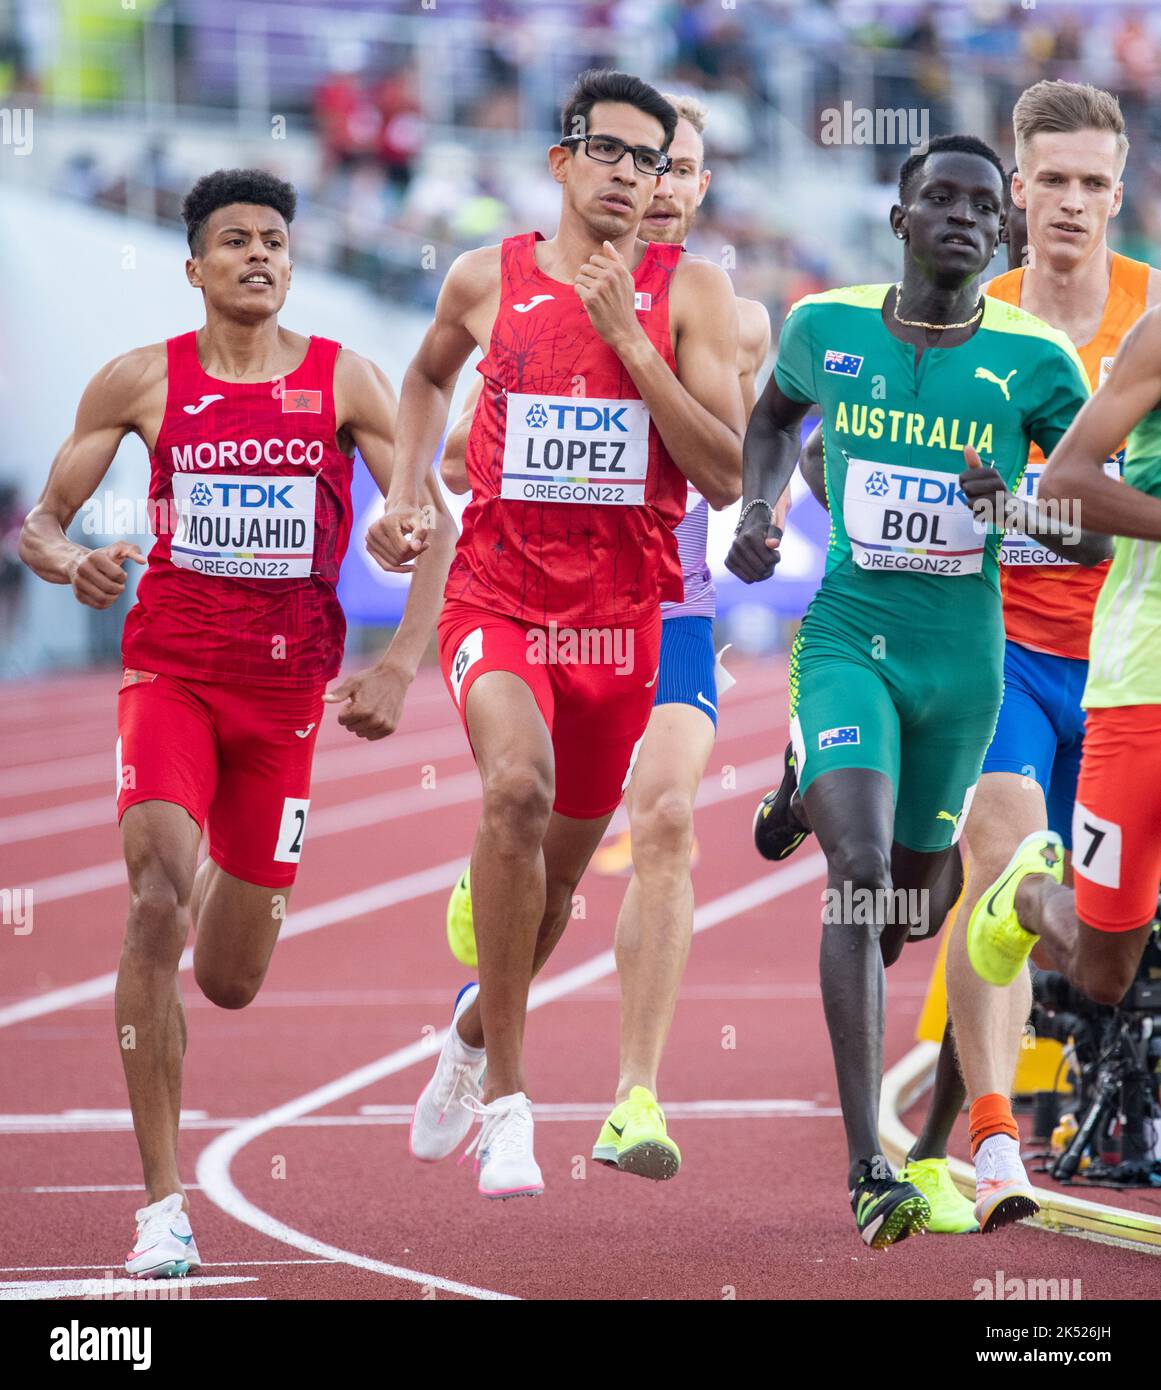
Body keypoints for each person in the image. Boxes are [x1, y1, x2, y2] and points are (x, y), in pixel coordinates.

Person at [19, 168, 455, 1276]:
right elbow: (41, 523)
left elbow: (429, 525)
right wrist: (74, 561)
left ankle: (226, 856)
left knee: (229, 978)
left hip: (283, 702)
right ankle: (162, 1202)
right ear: (195, 267)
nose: (259, 254)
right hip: (167, 673)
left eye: (273, 239)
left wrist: (401, 660)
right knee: (154, 896)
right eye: (235, 241)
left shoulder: (342, 381)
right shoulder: (142, 381)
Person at [367, 69, 746, 1200]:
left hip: (622, 626)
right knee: (513, 794)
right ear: (562, 160)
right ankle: (513, 1105)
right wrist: (406, 488)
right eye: (612, 152)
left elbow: (726, 473)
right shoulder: (486, 276)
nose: (631, 175)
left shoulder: (695, 293)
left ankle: (472, 1034)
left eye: (652, 157)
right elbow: (428, 378)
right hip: (496, 599)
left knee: (556, 886)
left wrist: (632, 340)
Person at [726, 134, 1090, 1248]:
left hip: (963, 663)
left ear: (1005, 233)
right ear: (900, 219)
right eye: (941, 200)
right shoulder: (825, 328)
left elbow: (1084, 533)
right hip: (849, 639)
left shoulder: (1038, 366)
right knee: (862, 874)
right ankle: (868, 1167)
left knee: (913, 913)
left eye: (986, 209)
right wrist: (755, 509)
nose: (966, 220)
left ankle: (801, 786)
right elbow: (772, 421)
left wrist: (1017, 508)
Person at [968, 300, 1161, 1011]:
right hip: (1138, 686)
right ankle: (1023, 894)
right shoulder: (1158, 333)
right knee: (1101, 971)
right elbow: (1065, 482)